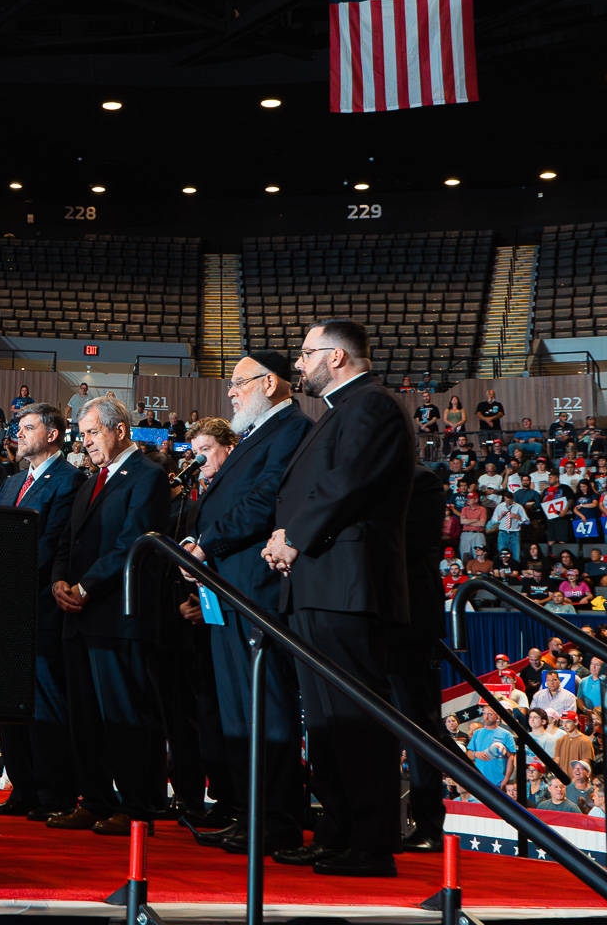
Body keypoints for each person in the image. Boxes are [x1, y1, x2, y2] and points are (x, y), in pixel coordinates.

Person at [260, 320, 412, 878]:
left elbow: (347, 482)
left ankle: (370, 844)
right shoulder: (340, 409)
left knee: (354, 719)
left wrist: (293, 535)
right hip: (318, 583)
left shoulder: (373, 405)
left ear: (338, 357)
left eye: (306, 354)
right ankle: (337, 833)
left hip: (346, 584)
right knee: (325, 723)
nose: (299, 364)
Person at [178, 353, 311, 857]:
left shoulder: (291, 428)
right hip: (228, 588)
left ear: (269, 383)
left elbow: (264, 500)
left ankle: (276, 821)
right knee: (237, 711)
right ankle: (249, 814)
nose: (230, 392)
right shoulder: (261, 431)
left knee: (264, 709)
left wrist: (206, 544)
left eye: (238, 383)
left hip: (254, 590)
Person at [47, 394, 167, 836]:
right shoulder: (89, 482)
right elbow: (67, 541)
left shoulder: (148, 476)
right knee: (83, 717)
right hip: (78, 617)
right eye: (82, 434)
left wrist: (85, 587)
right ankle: (94, 800)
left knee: (124, 717)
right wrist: (60, 581)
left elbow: (133, 542)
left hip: (118, 616)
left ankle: (137, 809)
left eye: (93, 433)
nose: (86, 442)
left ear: (120, 430)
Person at [0, 402, 85, 821]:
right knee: (8, 703)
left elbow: (53, 543)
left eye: (28, 428)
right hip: (5, 609)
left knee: (46, 704)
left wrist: (3, 571)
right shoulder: (11, 483)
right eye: (18, 428)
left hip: (42, 607)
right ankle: (23, 790)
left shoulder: (70, 480)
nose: (19, 434)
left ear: (53, 434)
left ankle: (54, 795)